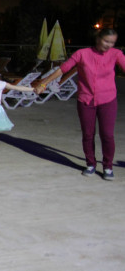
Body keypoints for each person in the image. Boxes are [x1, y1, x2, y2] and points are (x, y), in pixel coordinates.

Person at [35, 28, 125, 179]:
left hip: (108, 100)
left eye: (112, 42)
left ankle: (108, 167)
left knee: (107, 135)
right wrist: (43, 83)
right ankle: (90, 164)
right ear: (98, 38)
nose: (109, 45)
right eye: (106, 41)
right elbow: (62, 69)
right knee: (88, 134)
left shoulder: (116, 54)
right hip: (85, 100)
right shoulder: (82, 53)